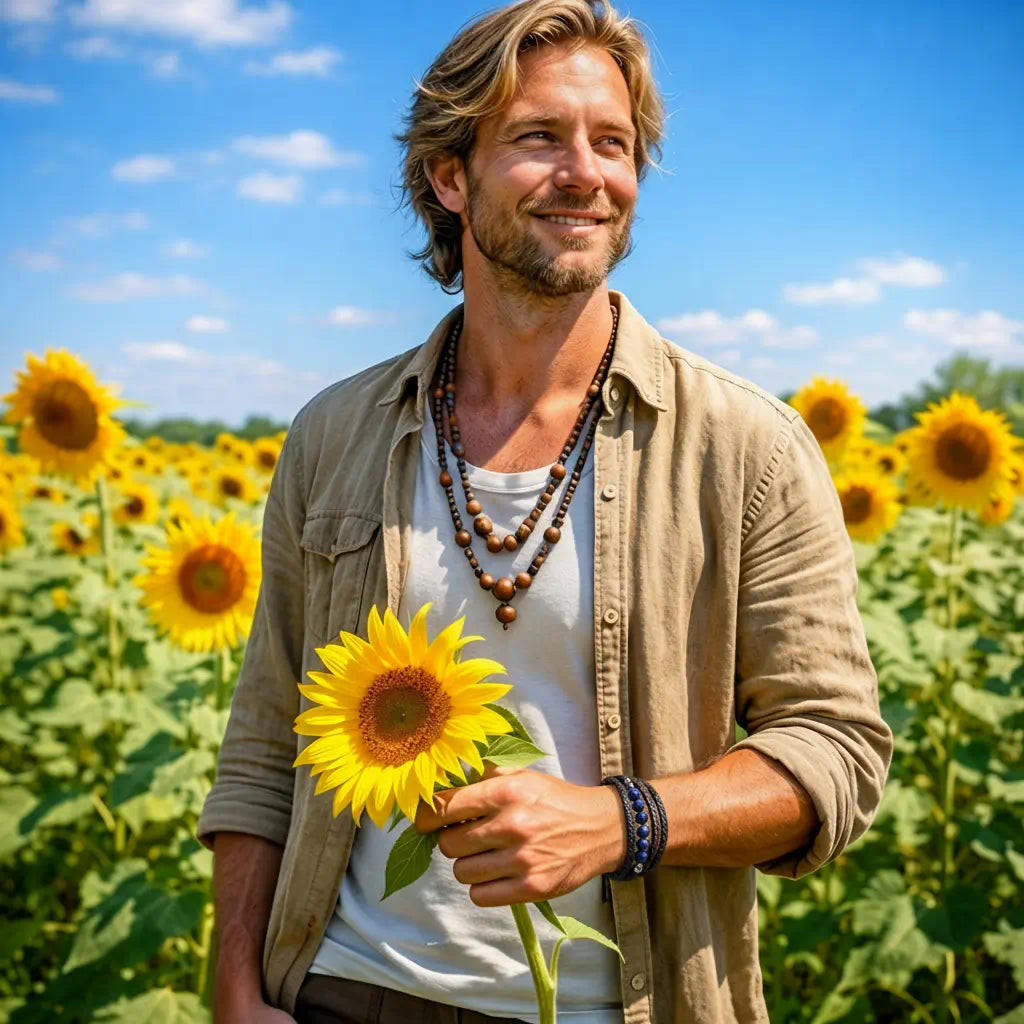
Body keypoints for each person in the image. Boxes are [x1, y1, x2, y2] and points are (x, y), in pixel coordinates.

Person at [197, 1, 893, 1022]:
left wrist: (622, 822)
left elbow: (836, 751)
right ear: (448, 176)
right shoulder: (333, 434)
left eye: (612, 143)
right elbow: (267, 738)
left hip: (619, 1000)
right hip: (345, 986)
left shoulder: (746, 446)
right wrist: (234, 988)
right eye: (537, 138)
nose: (586, 173)